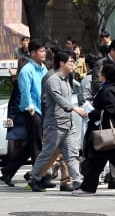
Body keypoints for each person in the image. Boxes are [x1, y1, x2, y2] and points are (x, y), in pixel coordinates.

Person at [73, 61, 115, 196]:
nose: (98, 73)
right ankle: (89, 187)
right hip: (107, 131)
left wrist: (90, 113)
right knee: (99, 160)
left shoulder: (108, 90)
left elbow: (110, 110)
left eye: (101, 71)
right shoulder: (111, 87)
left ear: (107, 74)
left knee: (102, 159)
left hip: (106, 131)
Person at [28, 50, 87, 192]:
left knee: (72, 154)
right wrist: (75, 109)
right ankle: (34, 178)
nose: (73, 64)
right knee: (47, 153)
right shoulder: (53, 80)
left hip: (68, 124)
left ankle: (78, 180)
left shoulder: (67, 79)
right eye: (70, 62)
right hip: (54, 125)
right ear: (61, 63)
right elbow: (59, 99)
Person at [0, 39, 49, 188]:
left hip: (42, 110)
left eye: (44, 51)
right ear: (32, 53)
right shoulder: (27, 70)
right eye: (41, 51)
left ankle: (8, 171)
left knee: (30, 146)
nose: (44, 53)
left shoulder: (43, 68)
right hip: (32, 111)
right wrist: (30, 108)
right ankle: (38, 178)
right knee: (36, 146)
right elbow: (25, 92)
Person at [0, 57, 30, 187]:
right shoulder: (21, 80)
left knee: (23, 148)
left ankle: (8, 172)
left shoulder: (19, 79)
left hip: (20, 118)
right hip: (21, 118)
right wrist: (11, 117)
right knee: (24, 148)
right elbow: (17, 100)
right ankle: (9, 172)